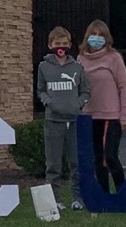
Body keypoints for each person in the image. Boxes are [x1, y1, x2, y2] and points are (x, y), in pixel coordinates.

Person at [36, 26, 91, 211]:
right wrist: (49, 103)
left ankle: (77, 198)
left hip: (75, 121)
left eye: (65, 43)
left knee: (76, 163)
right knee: (53, 164)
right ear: (50, 45)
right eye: (57, 43)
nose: (61, 46)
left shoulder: (77, 67)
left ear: (70, 45)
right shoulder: (44, 67)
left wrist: (78, 104)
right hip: (53, 121)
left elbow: (85, 90)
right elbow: (40, 90)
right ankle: (54, 200)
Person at [76, 20, 126, 194]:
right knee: (97, 159)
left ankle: (123, 192)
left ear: (107, 38)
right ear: (87, 37)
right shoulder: (80, 59)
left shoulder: (114, 58)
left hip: (111, 116)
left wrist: (124, 115)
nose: (97, 38)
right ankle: (103, 196)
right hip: (89, 116)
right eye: (94, 34)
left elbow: (124, 87)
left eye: (101, 35)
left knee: (111, 157)